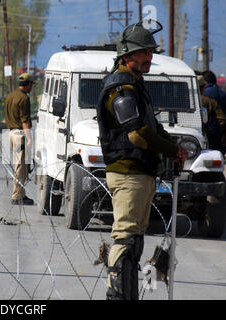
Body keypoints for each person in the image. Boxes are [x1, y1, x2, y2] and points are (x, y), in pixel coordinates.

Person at [96, 21, 188, 300]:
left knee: (134, 239)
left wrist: (173, 146)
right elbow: (137, 135)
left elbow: (152, 129)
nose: (149, 57)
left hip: (140, 172)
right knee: (125, 237)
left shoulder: (136, 85)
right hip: (128, 172)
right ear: (127, 56)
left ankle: (127, 293)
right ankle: (118, 294)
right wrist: (171, 150)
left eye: (150, 52)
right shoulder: (121, 87)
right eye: (143, 53)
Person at [5, 73, 35, 205]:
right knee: (19, 165)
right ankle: (16, 196)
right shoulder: (24, 98)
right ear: (28, 84)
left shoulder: (10, 96)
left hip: (11, 132)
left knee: (22, 165)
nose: (32, 87)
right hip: (20, 134)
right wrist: (29, 139)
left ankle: (22, 194)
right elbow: (25, 121)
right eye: (31, 85)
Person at [198, 75, 226, 154]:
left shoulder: (184, 100)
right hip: (207, 137)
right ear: (203, 88)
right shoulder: (209, 101)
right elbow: (222, 119)